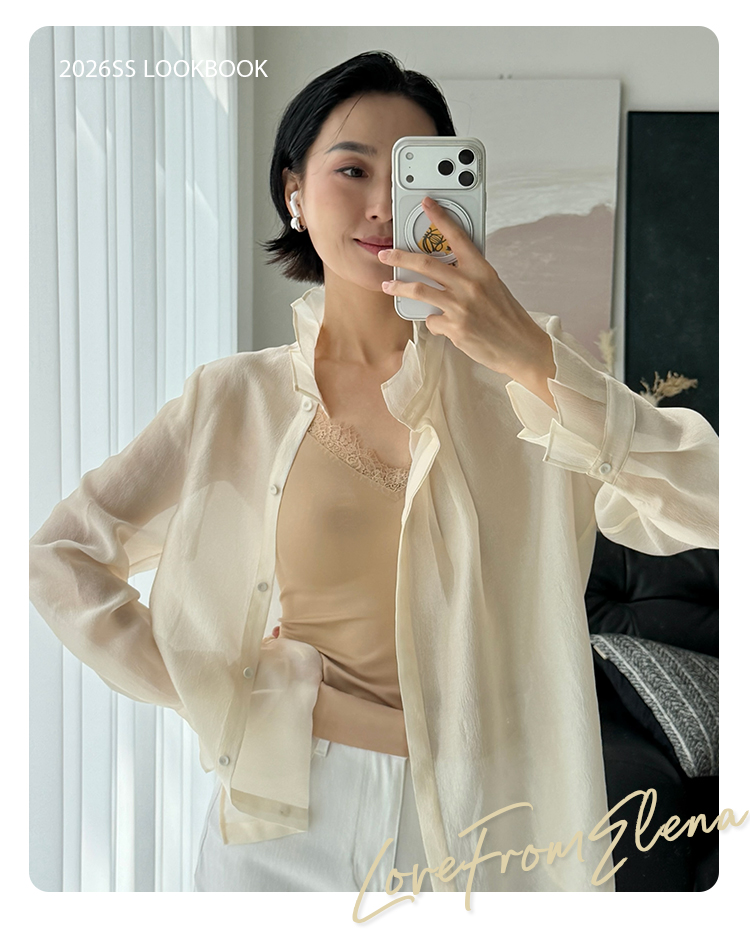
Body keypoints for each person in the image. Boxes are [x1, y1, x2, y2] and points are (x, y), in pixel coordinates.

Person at [29, 51, 719, 895]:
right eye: (352, 170)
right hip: (285, 818)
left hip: (490, 820)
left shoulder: (524, 377)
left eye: (413, 174)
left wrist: (526, 354)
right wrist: (224, 688)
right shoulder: (234, 398)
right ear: (294, 191)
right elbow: (61, 556)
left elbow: (715, 504)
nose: (385, 205)